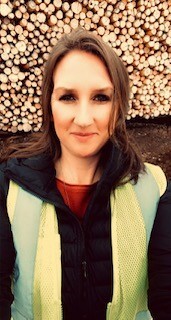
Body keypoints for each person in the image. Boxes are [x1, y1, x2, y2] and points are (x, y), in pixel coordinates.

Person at [0, 27, 170, 320]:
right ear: (49, 106)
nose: (83, 118)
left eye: (101, 98)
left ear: (118, 107)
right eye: (67, 97)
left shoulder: (155, 188)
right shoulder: (8, 187)